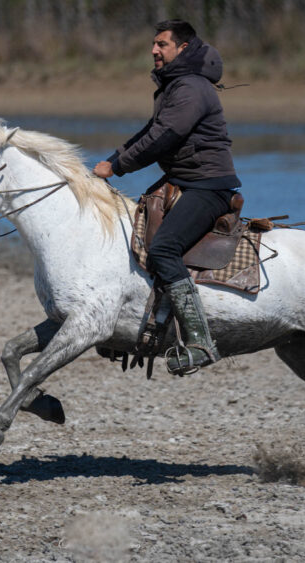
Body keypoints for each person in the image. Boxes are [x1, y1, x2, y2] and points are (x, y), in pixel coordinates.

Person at [93, 19, 242, 375]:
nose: (154, 50)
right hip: (183, 180)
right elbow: (152, 129)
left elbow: (166, 135)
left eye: (162, 44)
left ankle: (200, 342)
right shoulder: (176, 85)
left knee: (162, 249)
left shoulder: (190, 87)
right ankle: (132, 329)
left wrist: (117, 168)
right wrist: (114, 159)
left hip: (208, 186)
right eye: (154, 44)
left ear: (183, 48)